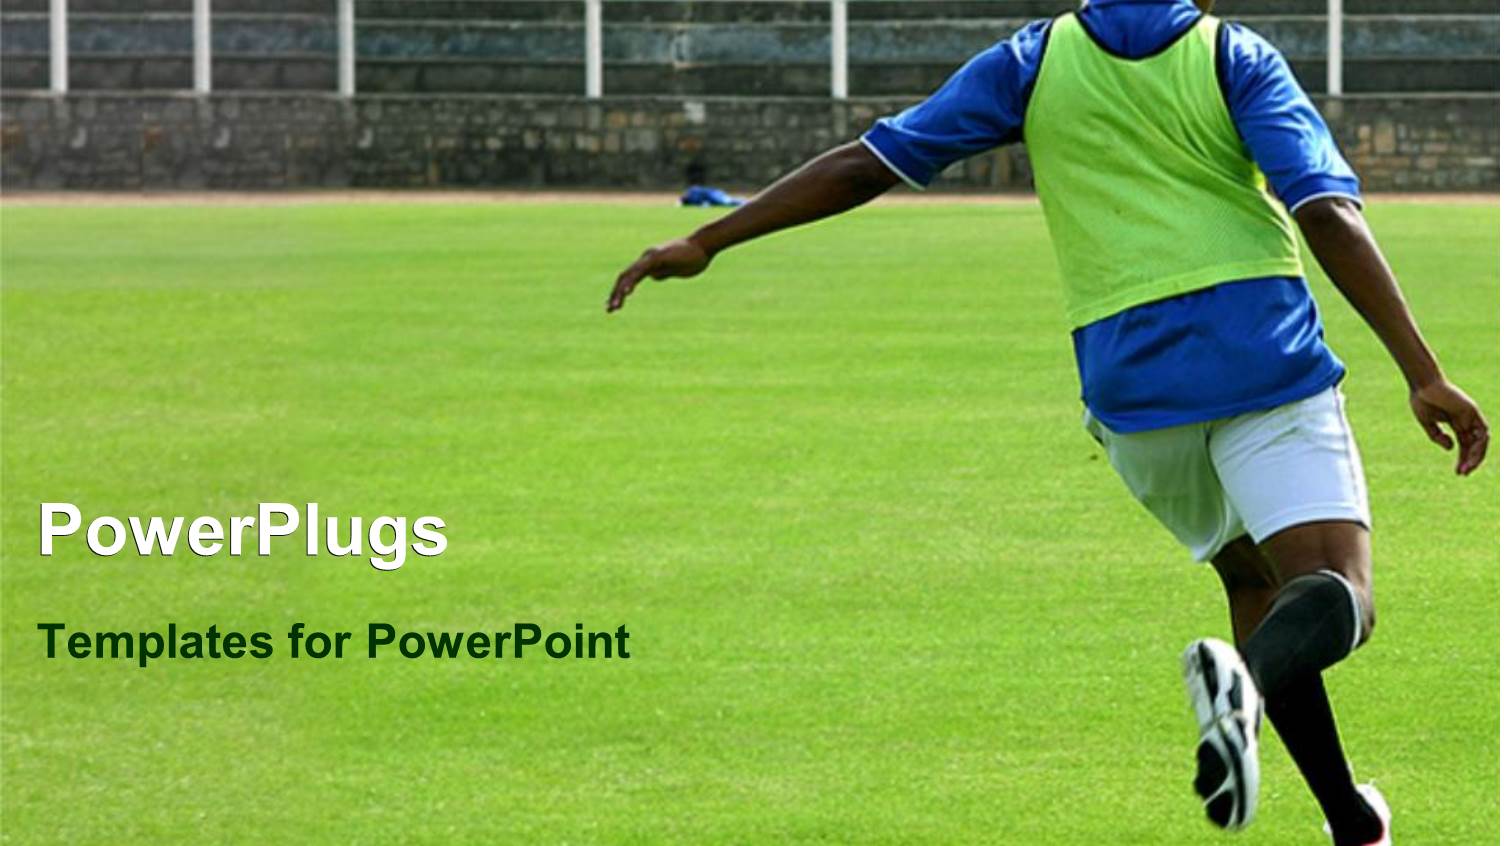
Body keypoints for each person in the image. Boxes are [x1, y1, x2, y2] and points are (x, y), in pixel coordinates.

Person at [603, 0, 1490, 841]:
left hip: (1133, 392)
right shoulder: (1232, 56)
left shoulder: (1032, 61)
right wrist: (1423, 373)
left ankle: (1351, 820)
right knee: (1340, 592)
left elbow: (865, 163)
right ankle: (1245, 689)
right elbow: (1323, 208)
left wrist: (708, 241)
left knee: (1262, 588)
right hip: (1262, 358)